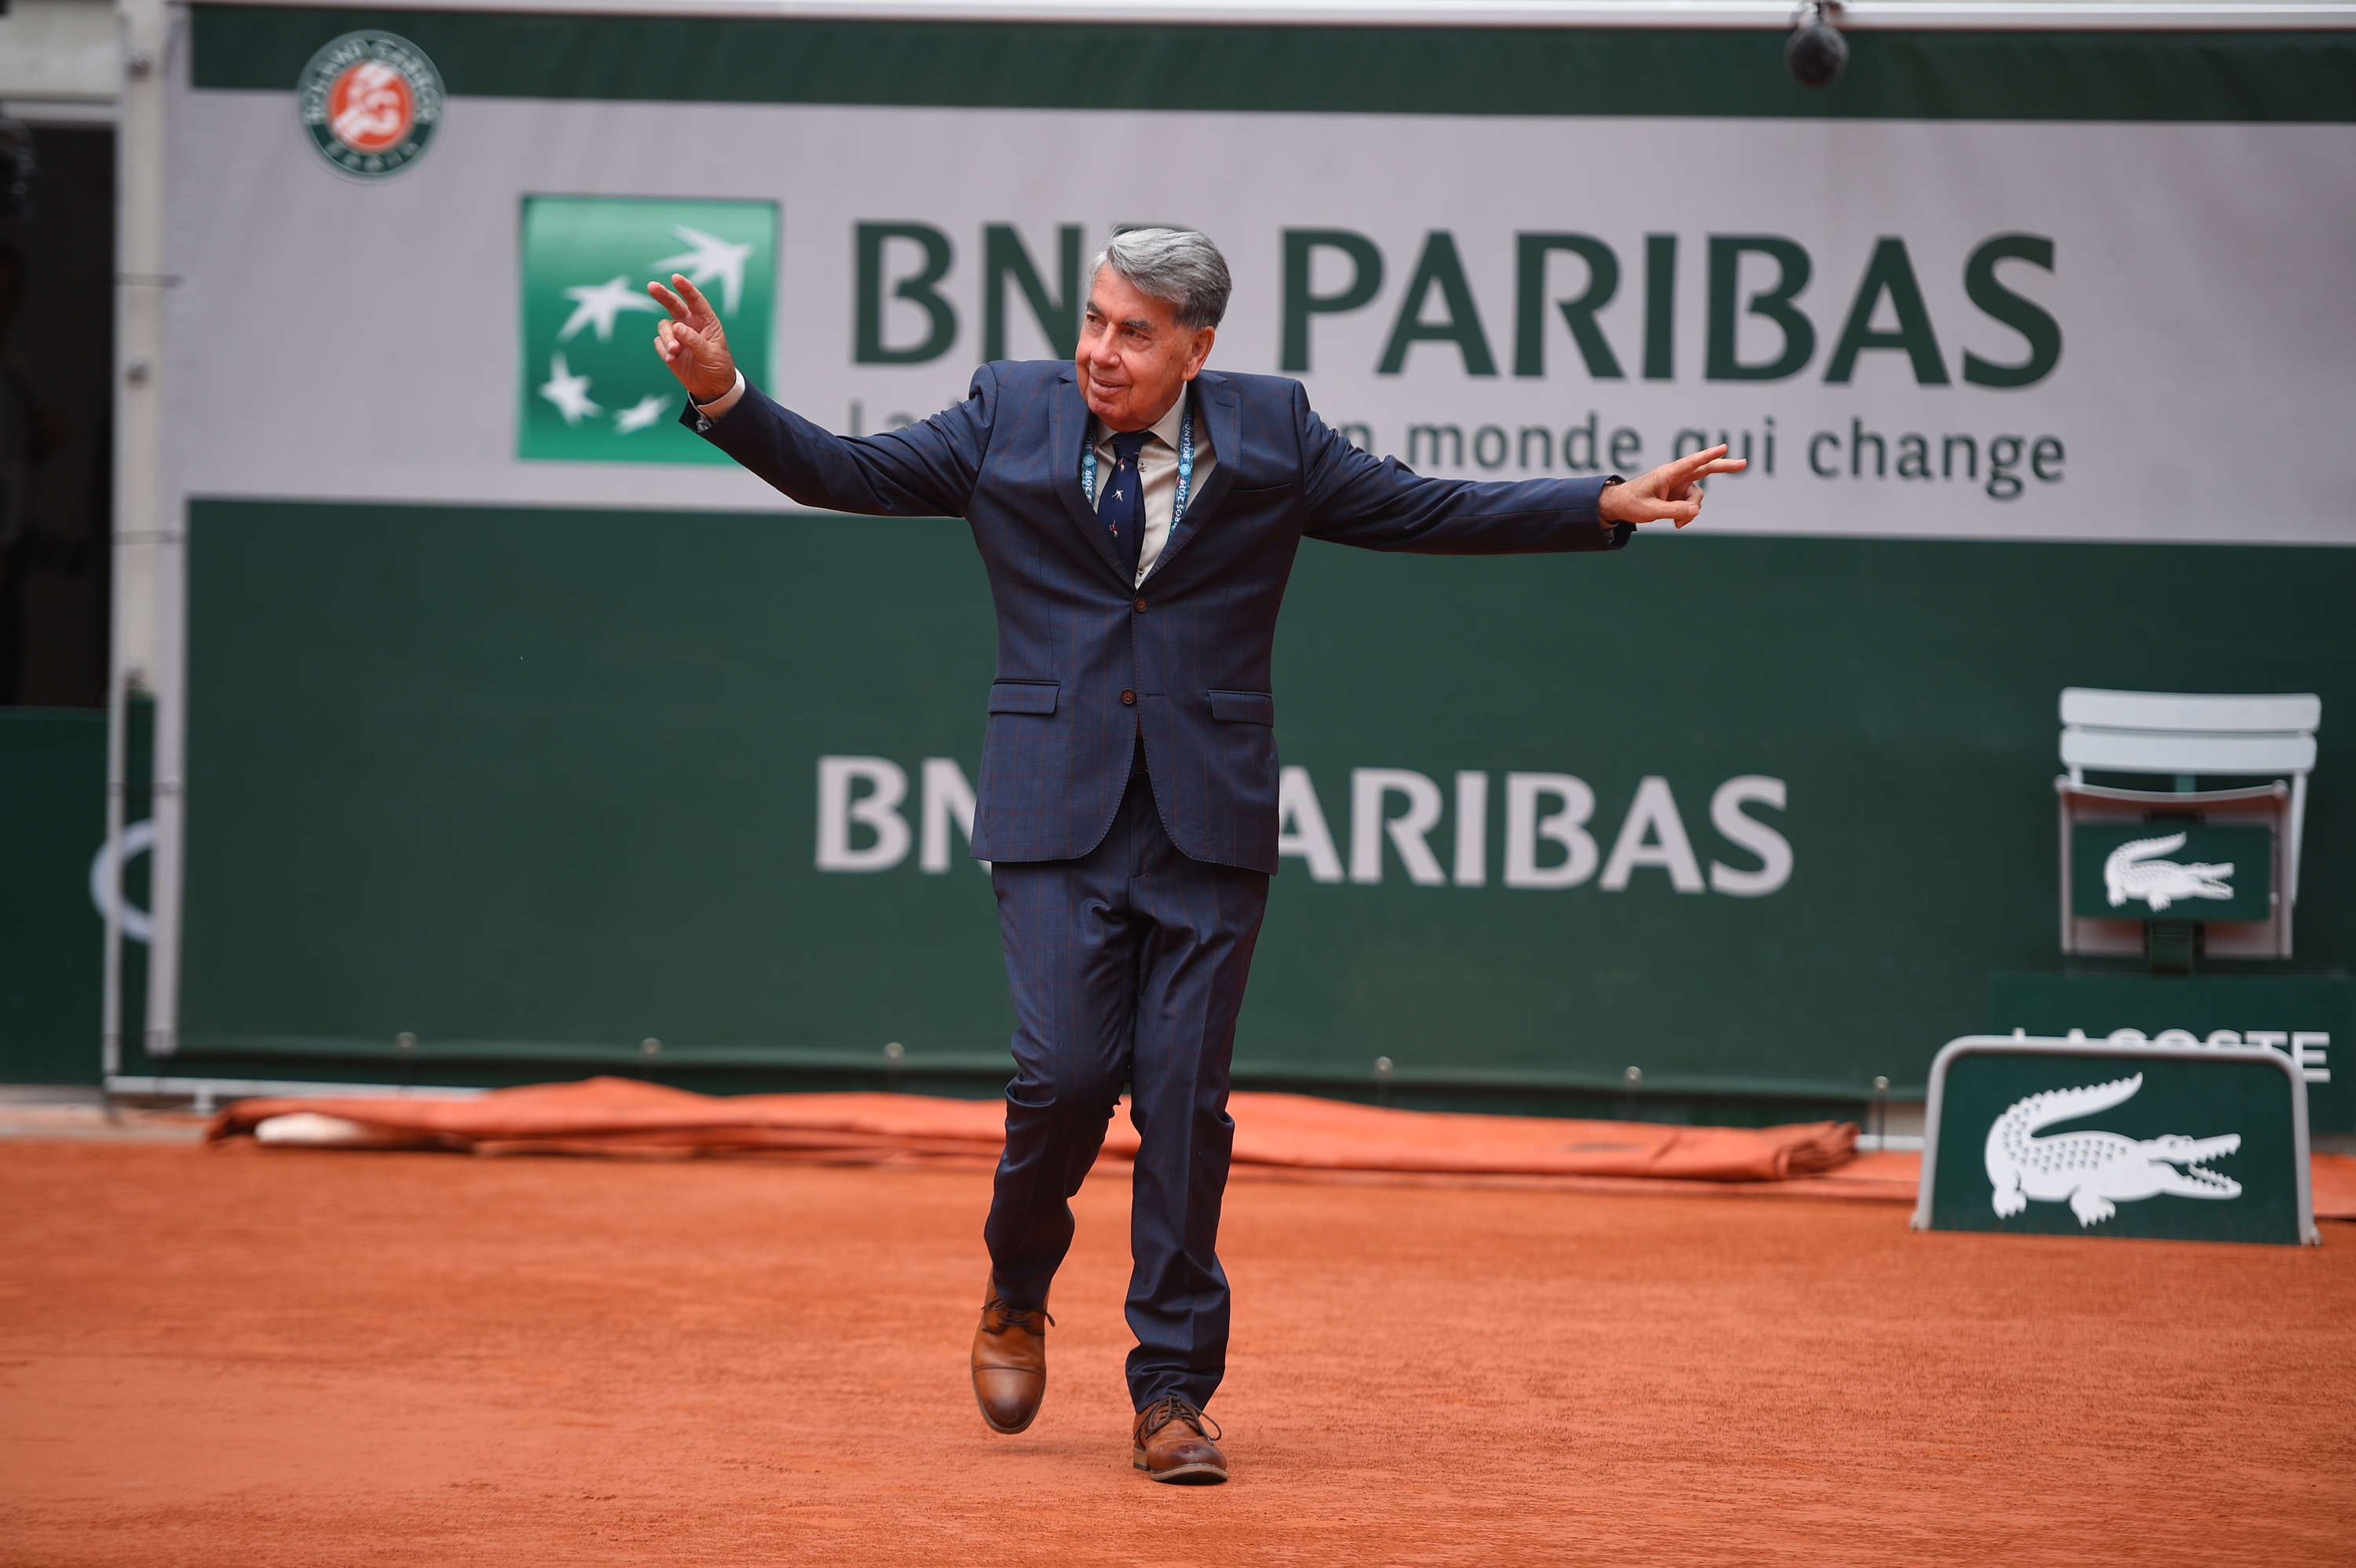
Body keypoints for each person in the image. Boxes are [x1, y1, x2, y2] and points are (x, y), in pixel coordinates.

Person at [647, 228, 1740, 1485]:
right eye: (1096, 320)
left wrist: (1596, 504)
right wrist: (727, 395)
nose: (1102, 350)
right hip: (1054, 804)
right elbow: (842, 470)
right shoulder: (1007, 412)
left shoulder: (1274, 433)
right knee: (1062, 1076)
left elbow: (1423, 505)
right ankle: (1017, 1281)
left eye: (1135, 332)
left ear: (1197, 349)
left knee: (1182, 1106)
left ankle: (1171, 1393)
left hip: (1208, 817)